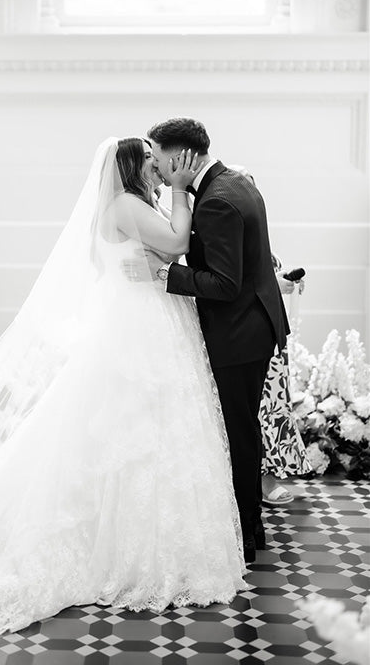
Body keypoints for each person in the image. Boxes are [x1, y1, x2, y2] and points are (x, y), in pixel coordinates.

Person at [0, 137, 247, 637]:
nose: (159, 170)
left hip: (144, 320)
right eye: (152, 164)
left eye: (161, 165)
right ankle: (120, 547)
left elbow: (124, 260)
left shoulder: (123, 208)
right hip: (141, 329)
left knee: (145, 429)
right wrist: (179, 193)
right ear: (132, 168)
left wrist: (153, 253)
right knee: (135, 426)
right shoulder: (127, 205)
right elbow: (176, 244)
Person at [130, 118, 290, 564]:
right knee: (241, 428)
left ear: (181, 156)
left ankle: (245, 535)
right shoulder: (235, 181)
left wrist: (162, 274)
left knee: (238, 431)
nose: (158, 169)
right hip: (255, 325)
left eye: (158, 157)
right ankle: (248, 525)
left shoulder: (216, 200)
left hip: (239, 333)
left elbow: (222, 283)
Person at [228, 165, 312, 505]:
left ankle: (269, 474)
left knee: (274, 409)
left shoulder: (261, 240)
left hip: (271, 337)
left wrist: (287, 283)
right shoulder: (228, 235)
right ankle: (255, 480)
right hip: (245, 336)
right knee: (252, 411)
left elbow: (270, 276)